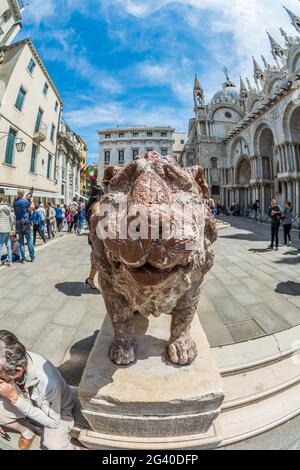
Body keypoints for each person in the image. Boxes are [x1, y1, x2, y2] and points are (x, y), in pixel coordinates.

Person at [0, 331, 85, 450]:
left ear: (17, 371)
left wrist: (15, 398)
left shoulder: (49, 383)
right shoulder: (10, 362)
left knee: (54, 445)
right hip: (26, 400)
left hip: (58, 411)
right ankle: (27, 432)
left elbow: (53, 422)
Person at [85, 185, 104, 289]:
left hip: (93, 235)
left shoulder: (90, 204)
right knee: (98, 259)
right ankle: (90, 279)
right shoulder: (97, 205)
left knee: (99, 259)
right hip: (97, 237)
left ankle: (91, 279)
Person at [13, 189, 35, 263]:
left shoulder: (15, 202)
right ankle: (32, 257)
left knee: (21, 241)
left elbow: (23, 208)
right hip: (26, 222)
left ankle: (24, 259)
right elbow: (32, 208)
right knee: (29, 240)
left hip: (18, 223)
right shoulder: (25, 201)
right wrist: (31, 201)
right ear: (23, 194)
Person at [0, 196, 14, 267]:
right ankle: (10, 261)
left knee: (0, 245)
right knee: (8, 246)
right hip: (7, 229)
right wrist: (10, 227)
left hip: (1, 230)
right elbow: (13, 220)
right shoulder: (9, 209)